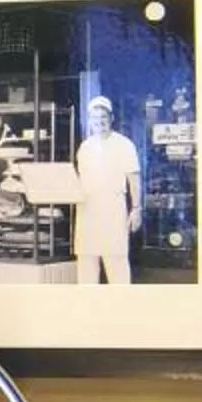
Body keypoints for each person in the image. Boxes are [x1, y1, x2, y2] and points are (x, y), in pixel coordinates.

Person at [71, 95, 141, 285]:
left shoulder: (125, 145)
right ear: (89, 120)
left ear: (111, 118)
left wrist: (136, 209)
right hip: (87, 211)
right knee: (86, 263)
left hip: (112, 209)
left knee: (116, 263)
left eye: (103, 117)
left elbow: (134, 179)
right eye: (95, 118)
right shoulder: (85, 147)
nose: (99, 121)